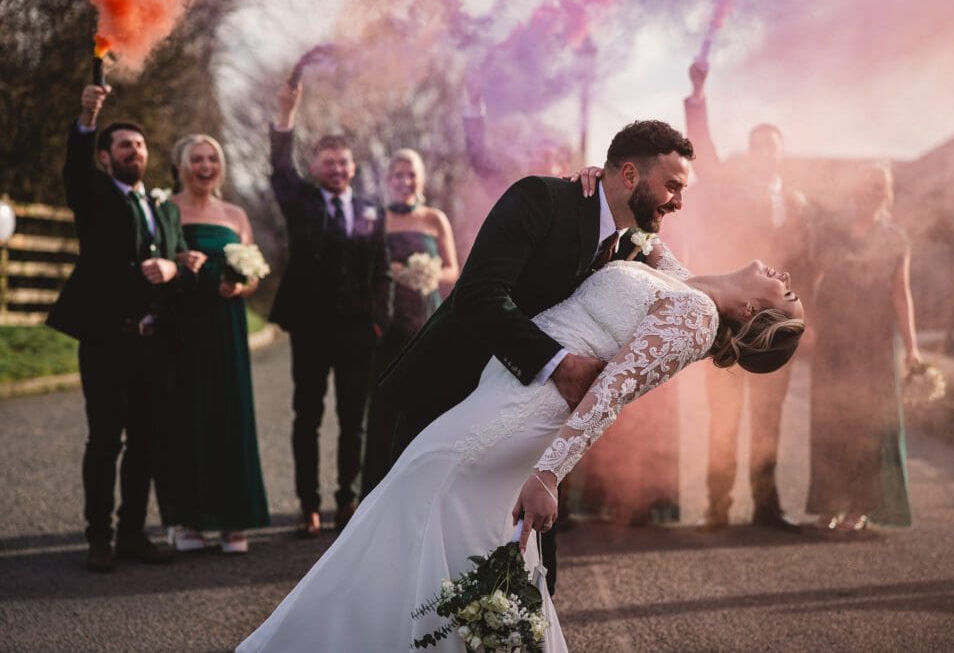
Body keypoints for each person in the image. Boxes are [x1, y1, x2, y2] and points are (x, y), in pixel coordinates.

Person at [237, 250, 804, 652]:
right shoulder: (693, 289)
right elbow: (651, 246)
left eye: (789, 295)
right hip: (504, 391)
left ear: (754, 313)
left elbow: (610, 391)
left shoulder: (697, 318)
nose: (787, 278)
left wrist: (550, 474)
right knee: (453, 527)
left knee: (412, 495)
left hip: (518, 418)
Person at [380, 121, 692, 593]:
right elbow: (480, 295)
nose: (678, 202)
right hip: (450, 394)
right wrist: (560, 364)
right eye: (671, 186)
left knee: (522, 575)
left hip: (528, 421)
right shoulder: (540, 199)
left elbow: (692, 291)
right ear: (629, 175)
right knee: (420, 556)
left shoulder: (632, 242)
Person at [47, 84, 198, 572]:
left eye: (140, 145)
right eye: (124, 146)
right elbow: (75, 163)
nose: (135, 152)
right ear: (108, 157)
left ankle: (134, 533)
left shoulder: (164, 209)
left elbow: (176, 259)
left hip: (155, 345)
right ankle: (100, 537)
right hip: (107, 340)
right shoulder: (92, 195)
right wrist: (87, 117)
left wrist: (178, 267)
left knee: (146, 442)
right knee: (105, 440)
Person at [684, 56, 810, 531]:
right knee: (724, 413)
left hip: (778, 327)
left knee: (768, 418)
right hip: (731, 322)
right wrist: (698, 96)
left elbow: (807, 269)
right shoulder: (729, 189)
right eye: (756, 146)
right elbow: (706, 154)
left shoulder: (797, 203)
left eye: (770, 147)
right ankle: (718, 507)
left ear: (780, 154)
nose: (763, 153)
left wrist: (805, 325)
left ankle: (767, 505)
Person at [269, 81, 392, 539]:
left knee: (352, 420)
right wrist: (286, 115)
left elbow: (383, 270)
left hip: (360, 332)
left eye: (343, 162)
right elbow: (280, 168)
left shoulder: (370, 210)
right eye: (328, 162)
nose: (337, 168)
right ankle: (307, 504)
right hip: (310, 329)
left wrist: (379, 319)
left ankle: (347, 499)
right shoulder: (300, 201)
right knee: (308, 415)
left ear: (353, 168)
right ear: (316, 166)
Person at [159, 134, 271, 554]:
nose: (206, 166)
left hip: (226, 326)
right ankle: (189, 520)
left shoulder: (236, 214)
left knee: (230, 413)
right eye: (197, 159)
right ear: (181, 165)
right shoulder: (166, 209)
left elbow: (255, 272)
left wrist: (238, 289)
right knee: (186, 415)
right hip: (183, 327)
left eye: (212, 159)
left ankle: (234, 520)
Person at [805, 162, 917, 531]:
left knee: (867, 423)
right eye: (863, 186)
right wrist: (808, 324)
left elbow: (901, 293)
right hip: (834, 338)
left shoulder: (895, 239)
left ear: (884, 194)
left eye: (876, 187)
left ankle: (860, 507)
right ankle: (829, 504)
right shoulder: (832, 233)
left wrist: (913, 348)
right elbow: (812, 281)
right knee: (830, 420)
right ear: (853, 191)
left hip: (874, 342)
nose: (868, 193)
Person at [359, 149, 459, 499]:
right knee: (385, 403)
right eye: (398, 175)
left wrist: (428, 274)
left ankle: (423, 491)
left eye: (411, 174)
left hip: (428, 318)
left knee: (428, 401)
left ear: (421, 179)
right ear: (388, 181)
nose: (405, 181)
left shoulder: (435, 219)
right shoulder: (376, 220)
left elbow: (453, 269)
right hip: (387, 323)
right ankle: (376, 493)